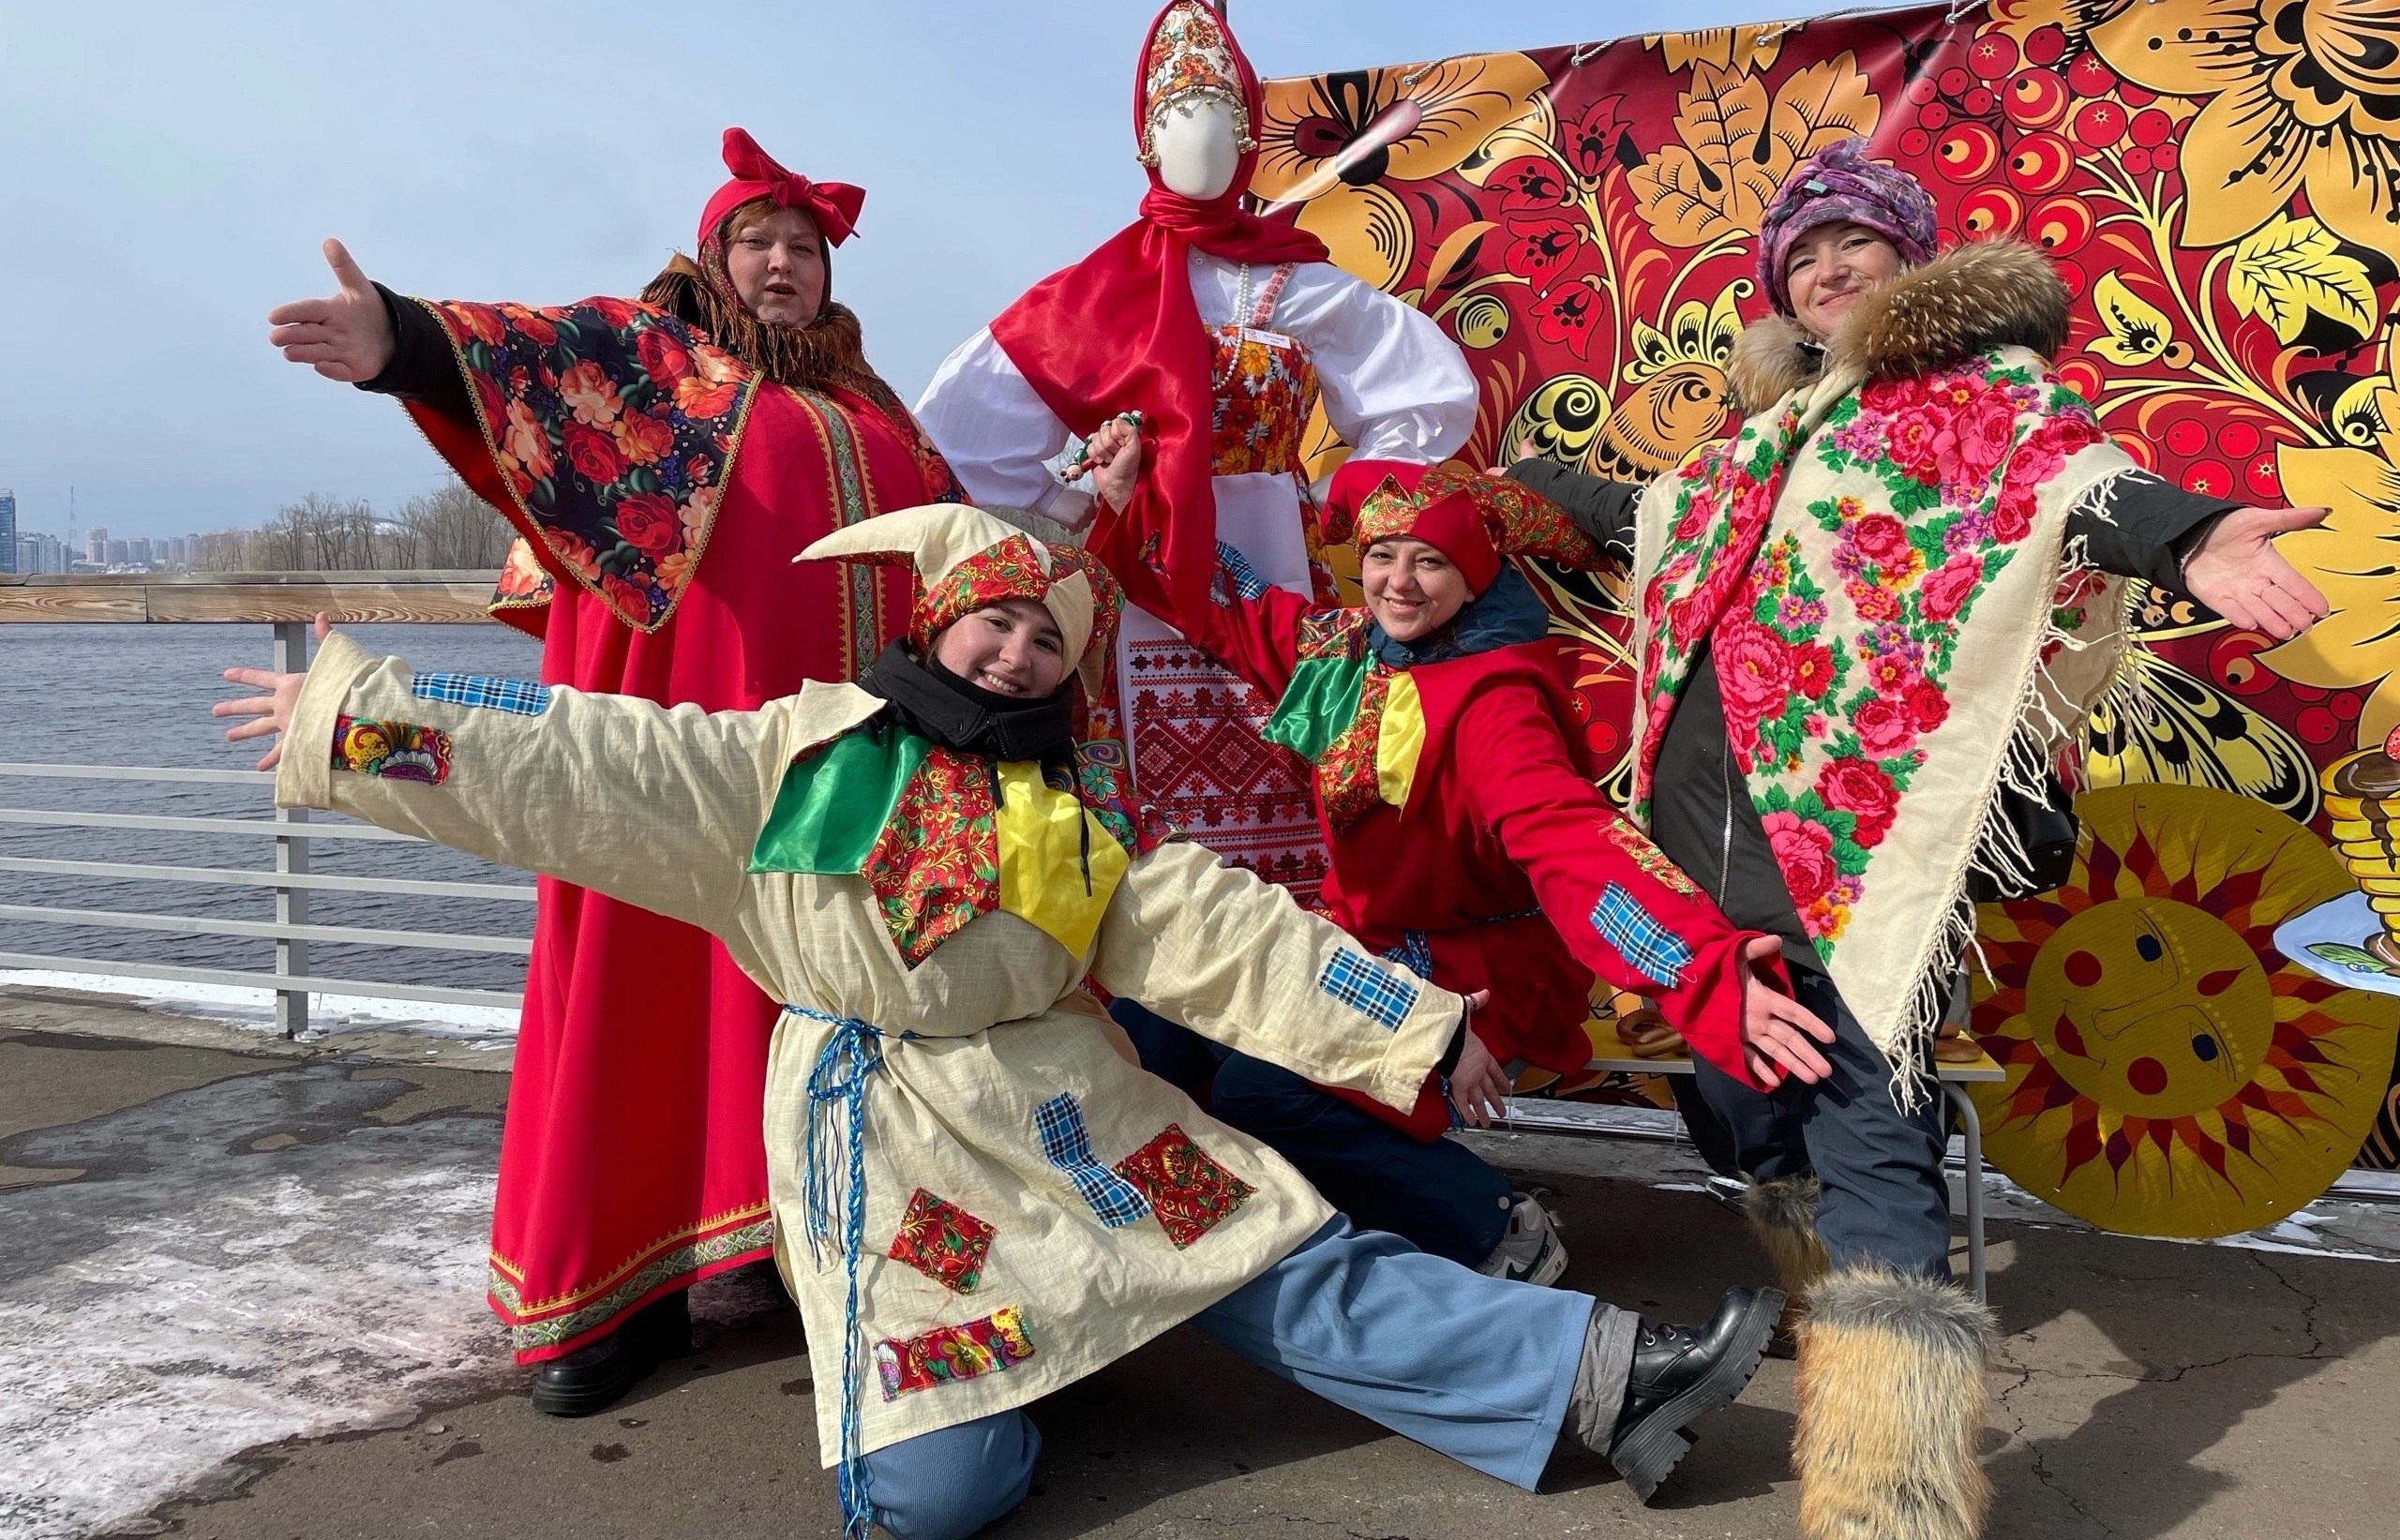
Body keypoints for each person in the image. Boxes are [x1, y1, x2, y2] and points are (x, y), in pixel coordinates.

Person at [212, 505, 1788, 1535]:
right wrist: (360, 715)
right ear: (935, 629)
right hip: (885, 1137)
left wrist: (1417, 1025)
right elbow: (586, 749)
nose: (1018, 649)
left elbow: (1221, 931)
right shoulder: (785, 764)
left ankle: (1606, 1385)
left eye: (1043, 636)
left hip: (1067, 1105)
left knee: (1277, 1247)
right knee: (935, 1500)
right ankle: (1023, 1377)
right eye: (993, 624)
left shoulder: (1073, 815)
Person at [1505, 138, 2330, 1540]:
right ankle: (1819, 1292)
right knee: (1732, 1093)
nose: (1826, 269)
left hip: (1857, 855)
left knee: (1864, 1126)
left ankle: (1890, 1485)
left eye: (1855, 245)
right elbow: (1662, 523)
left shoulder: (1975, 404)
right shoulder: (1765, 440)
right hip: (1701, 850)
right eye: (1800, 254)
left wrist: (2191, 543)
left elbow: (2076, 485)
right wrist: (1528, 483)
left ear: (1913, 262)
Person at [263, 129, 961, 1413]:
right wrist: (403, 344)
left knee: (819, 997)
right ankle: (607, 1288)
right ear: (713, 259)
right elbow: (538, 360)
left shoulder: (878, 410)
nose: (785, 265)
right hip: (671, 755)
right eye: (759, 243)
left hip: (847, 784)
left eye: (805, 248)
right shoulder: (663, 368)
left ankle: (786, 1242)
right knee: (642, 982)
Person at [1083, 428, 1834, 1283]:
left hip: (1483, 964)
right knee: (1154, 1030)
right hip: (1363, 945)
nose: (1399, 583)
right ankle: (1211, 1264)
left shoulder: (1495, 700)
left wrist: (1697, 967)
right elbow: (1230, 601)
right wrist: (1133, 491)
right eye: (1384, 556)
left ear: (1474, 577)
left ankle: (1494, 1225)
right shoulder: (1345, 657)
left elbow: (1570, 841)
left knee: (1268, 1091)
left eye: (1430, 563)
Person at [915, 0, 1477, 901]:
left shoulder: (1297, 284)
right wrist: (1078, 501)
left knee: (1299, 752)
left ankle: (1300, 969)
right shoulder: (1094, 290)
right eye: (1179, 117)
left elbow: (1424, 391)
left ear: (1251, 135)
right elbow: (966, 433)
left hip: (1277, 555)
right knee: (1142, 795)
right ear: (1145, 138)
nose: (1202, 139)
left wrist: (1351, 494)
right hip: (1139, 569)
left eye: (1222, 118)